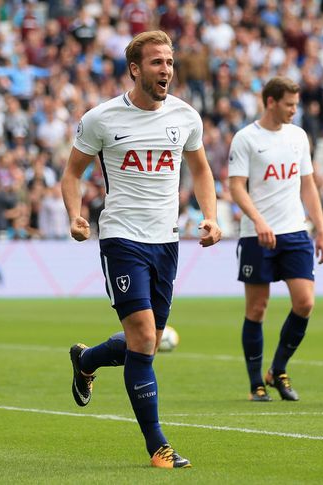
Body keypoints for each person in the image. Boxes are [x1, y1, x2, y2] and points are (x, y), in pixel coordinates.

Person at [60, 30, 221, 469]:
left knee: (142, 346)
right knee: (145, 336)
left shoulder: (187, 117)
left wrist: (211, 215)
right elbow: (72, 173)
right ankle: (158, 446)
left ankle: (87, 359)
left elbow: (202, 171)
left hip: (166, 241)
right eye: (156, 62)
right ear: (135, 69)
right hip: (121, 238)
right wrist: (76, 215)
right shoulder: (102, 118)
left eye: (169, 62)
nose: (165, 70)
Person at [228, 76, 323, 403]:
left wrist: (322, 229)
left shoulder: (298, 136)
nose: (293, 111)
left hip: (295, 231)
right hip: (256, 235)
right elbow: (236, 187)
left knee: (305, 302)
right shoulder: (246, 139)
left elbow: (308, 185)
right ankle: (256, 382)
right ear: (270, 102)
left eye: (295, 105)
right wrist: (258, 221)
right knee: (257, 308)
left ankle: (278, 369)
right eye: (289, 104)